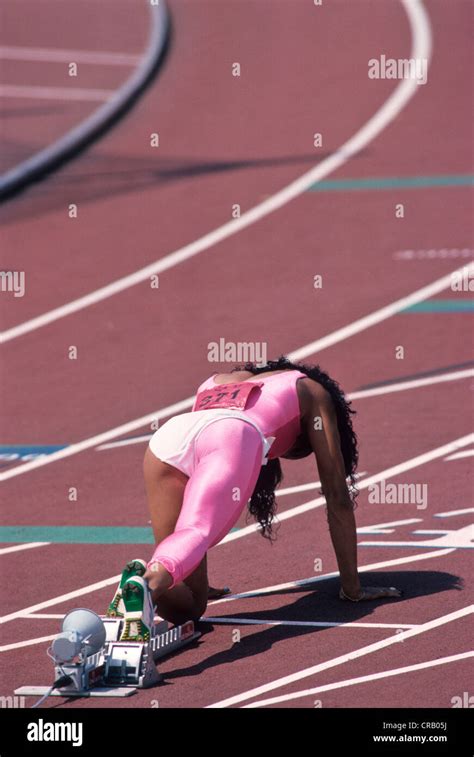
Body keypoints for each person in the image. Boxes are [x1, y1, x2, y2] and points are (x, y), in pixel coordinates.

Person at [107, 356, 401, 641]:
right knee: (195, 530)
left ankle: (140, 580)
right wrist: (352, 587)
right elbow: (337, 495)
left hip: (169, 438)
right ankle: (147, 583)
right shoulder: (312, 390)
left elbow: (200, 452)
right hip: (232, 436)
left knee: (191, 607)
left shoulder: (218, 380)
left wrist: (197, 574)